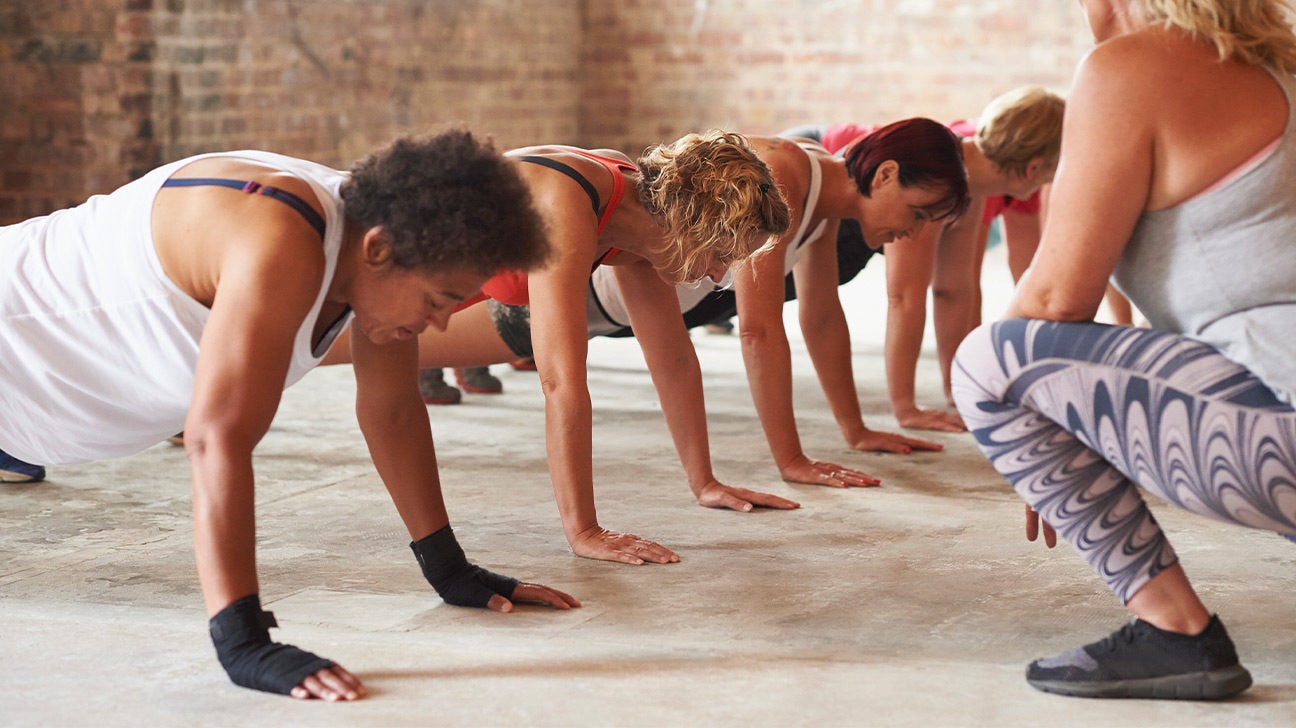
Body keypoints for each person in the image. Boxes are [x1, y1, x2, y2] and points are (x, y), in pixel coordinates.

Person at [0, 131, 581, 700]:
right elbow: (216, 436)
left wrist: (448, 568)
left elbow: (394, 409)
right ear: (379, 249)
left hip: (41, 406)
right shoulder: (278, 231)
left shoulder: (374, 251)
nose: (443, 325)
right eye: (438, 300)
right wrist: (243, 640)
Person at [950, 0, 1296, 700]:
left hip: (1282, 433)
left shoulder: (1133, 66)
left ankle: (1175, 633)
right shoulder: (1282, 64)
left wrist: (1038, 442)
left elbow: (1053, 300)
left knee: (989, 360)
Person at [327, 130, 797, 565]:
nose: (717, 276)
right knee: (298, 357)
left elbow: (672, 360)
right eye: (720, 256)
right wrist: (584, 531)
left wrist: (705, 483)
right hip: (363, 264)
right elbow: (560, 380)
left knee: (316, 357)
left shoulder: (638, 218)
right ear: (690, 222)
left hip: (438, 291)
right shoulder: (574, 202)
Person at [588, 119, 971, 487]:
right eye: (917, 213)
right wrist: (791, 461)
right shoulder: (785, 173)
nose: (913, 232)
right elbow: (758, 330)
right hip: (594, 291)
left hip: (631, 313)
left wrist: (856, 430)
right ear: (886, 174)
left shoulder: (823, 189)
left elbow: (821, 316)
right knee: (530, 337)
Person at [803, 87, 1064, 432]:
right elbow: (904, 296)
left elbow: (954, 290)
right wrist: (905, 407)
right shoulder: (937, 176)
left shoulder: (972, 183)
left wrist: (960, 387)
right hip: (815, 158)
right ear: (1034, 168)